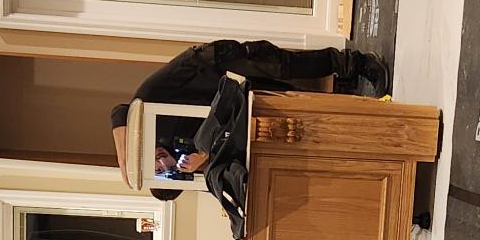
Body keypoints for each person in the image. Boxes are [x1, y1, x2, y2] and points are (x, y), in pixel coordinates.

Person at [109, 39, 388, 185]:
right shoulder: (175, 147)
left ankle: (355, 62)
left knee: (282, 66)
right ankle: (342, 82)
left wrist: (124, 160)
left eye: (155, 164)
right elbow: (218, 133)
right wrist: (203, 159)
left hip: (214, 63)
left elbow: (118, 112)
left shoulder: (143, 116)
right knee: (280, 90)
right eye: (162, 170)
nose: (161, 164)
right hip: (230, 90)